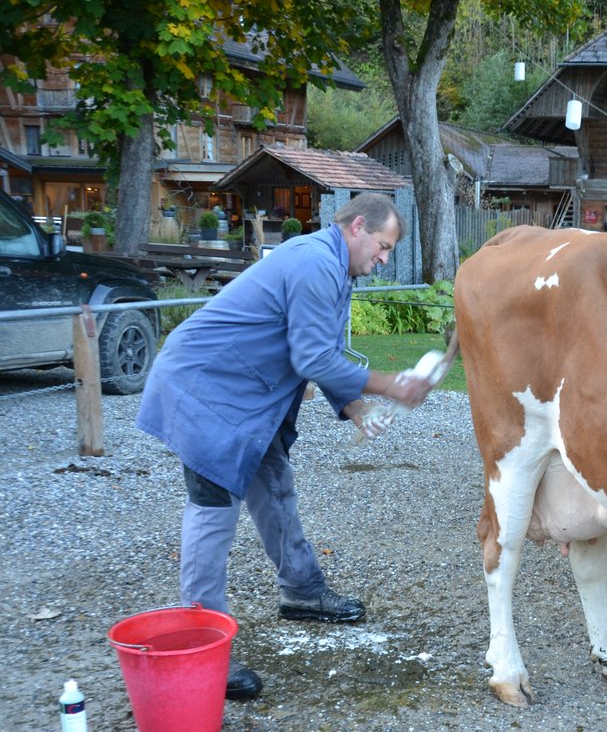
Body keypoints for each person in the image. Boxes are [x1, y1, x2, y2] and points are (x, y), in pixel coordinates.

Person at [136, 194, 437, 700]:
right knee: (212, 515)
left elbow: (322, 349)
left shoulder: (334, 269)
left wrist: (353, 406)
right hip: (206, 390)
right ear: (358, 226)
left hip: (250, 397)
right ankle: (202, 645)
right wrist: (389, 384)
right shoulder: (315, 263)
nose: (384, 258)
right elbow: (313, 355)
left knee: (274, 485)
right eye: (383, 245)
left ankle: (302, 590)